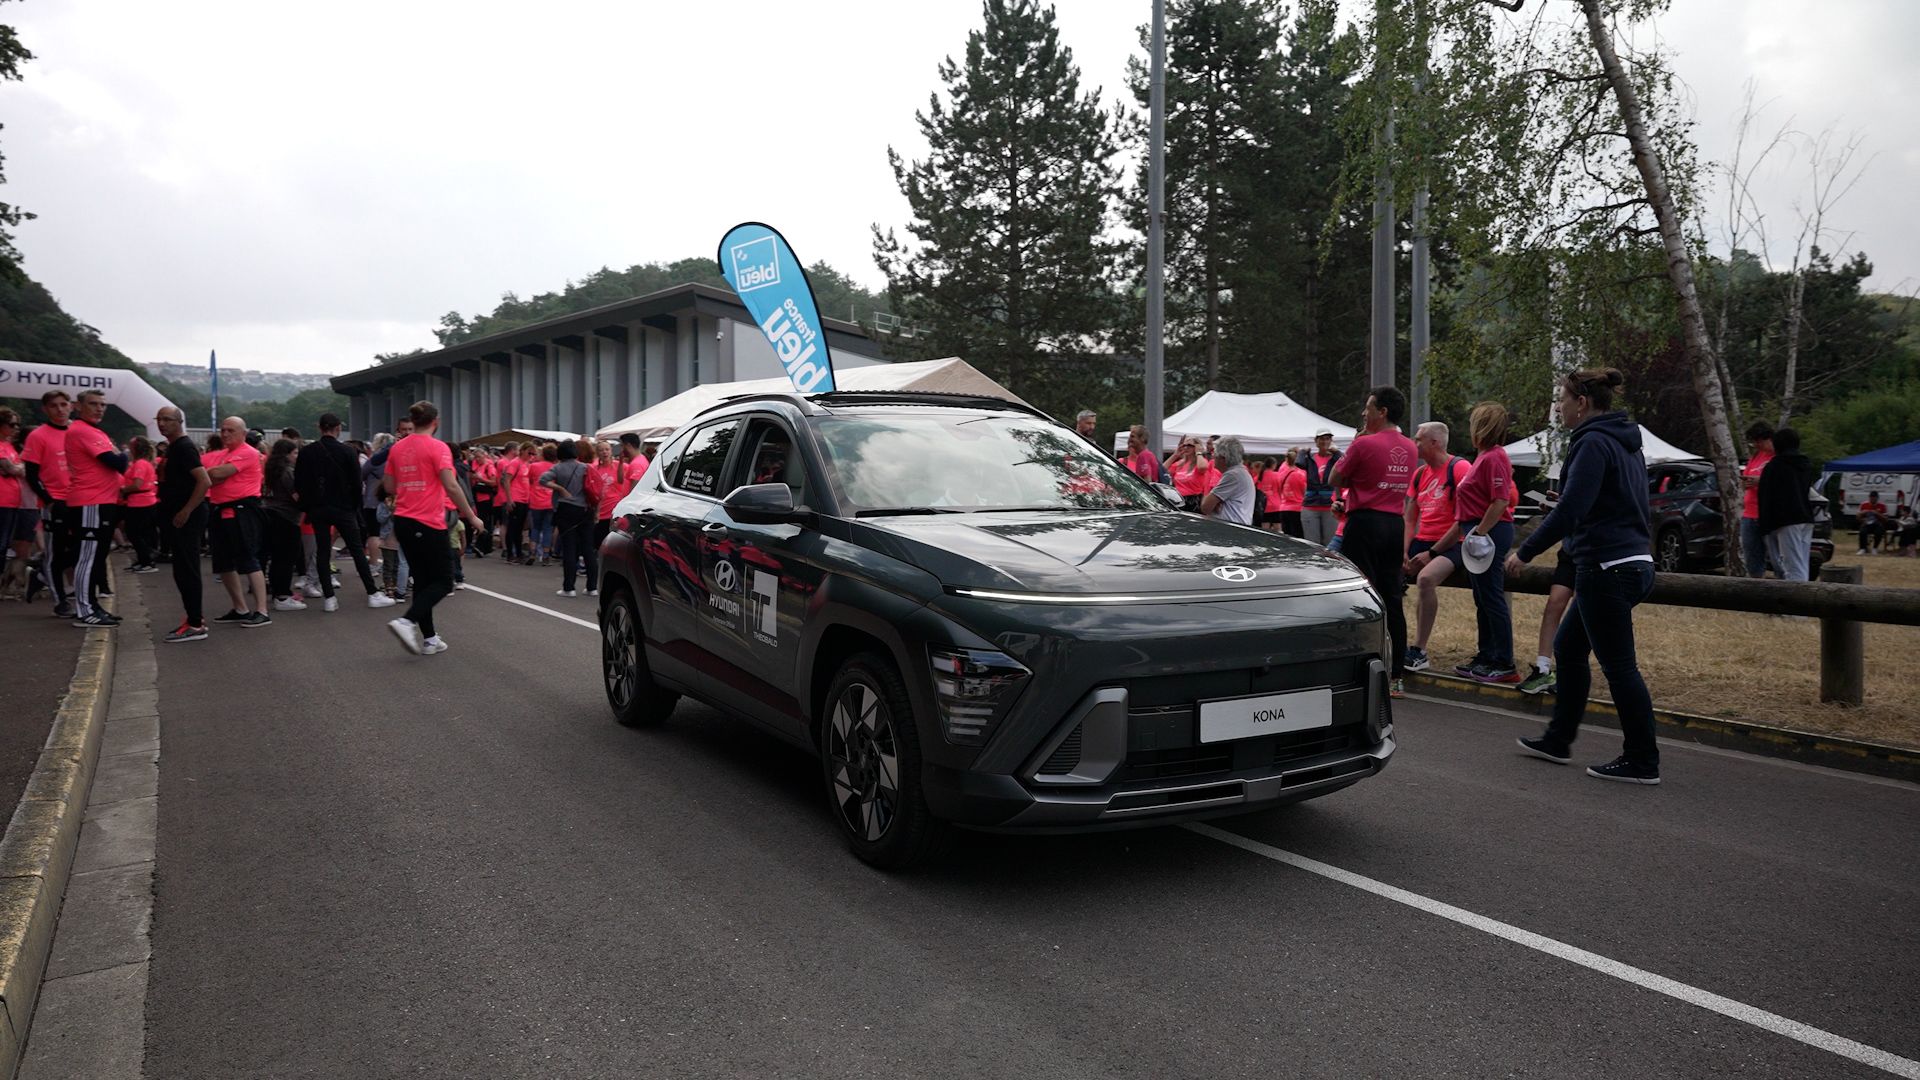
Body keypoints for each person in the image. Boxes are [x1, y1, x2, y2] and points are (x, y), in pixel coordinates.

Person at [1509, 367, 1660, 785]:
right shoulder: (1624, 440)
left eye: (1562, 399)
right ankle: (1558, 740)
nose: (1559, 407)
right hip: (1633, 562)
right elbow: (1607, 500)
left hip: (1606, 568)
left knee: (1620, 668)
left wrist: (1525, 551)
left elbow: (1572, 512)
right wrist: (1566, 503)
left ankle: (1642, 760)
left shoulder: (1592, 441)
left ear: (1582, 402)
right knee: (1569, 648)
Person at [1328, 388, 1417, 692]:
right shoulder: (1410, 447)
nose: (1364, 413)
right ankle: (1396, 676)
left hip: (1364, 523)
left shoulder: (1364, 443)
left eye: (1368, 408)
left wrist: (1356, 446)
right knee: (1392, 596)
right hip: (1394, 524)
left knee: (1359, 595)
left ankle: (1358, 668)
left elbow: (1334, 478)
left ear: (1382, 412)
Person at [381, 400, 484, 655]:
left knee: (423, 580)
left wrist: (411, 481)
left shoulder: (397, 448)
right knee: (444, 581)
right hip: (427, 521)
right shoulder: (438, 447)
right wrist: (471, 516)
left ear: (413, 421)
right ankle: (406, 622)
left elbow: (389, 486)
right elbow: (451, 485)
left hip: (403, 520)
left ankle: (429, 639)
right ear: (435, 422)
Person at [1426, 403, 1519, 682]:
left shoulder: (1495, 457)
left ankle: (1504, 661)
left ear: (1481, 426)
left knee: (1491, 596)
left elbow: (1500, 500)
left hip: (1488, 532)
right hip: (1478, 531)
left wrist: (1479, 532)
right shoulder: (1484, 456)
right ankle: (1486, 655)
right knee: (1483, 597)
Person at [296, 412, 392, 611]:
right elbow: (357, 483)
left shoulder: (307, 452)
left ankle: (329, 598)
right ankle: (372, 593)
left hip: (318, 508)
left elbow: (300, 482)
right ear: (338, 428)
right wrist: (354, 506)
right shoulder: (348, 451)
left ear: (319, 427)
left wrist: (308, 506)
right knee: (357, 550)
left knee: (323, 552)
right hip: (343, 507)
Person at [1401, 422, 1470, 672]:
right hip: (1423, 539)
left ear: (1435, 442)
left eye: (1419, 439)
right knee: (1386, 574)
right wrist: (1404, 550)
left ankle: (1419, 651)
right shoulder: (1419, 474)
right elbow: (1410, 518)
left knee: (1426, 579)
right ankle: (1395, 642)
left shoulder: (1460, 468)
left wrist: (1432, 553)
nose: (1414, 443)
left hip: (1453, 543)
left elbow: (1463, 521)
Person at [63, 389, 129, 627]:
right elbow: (117, 462)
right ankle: (85, 610)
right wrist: (123, 453)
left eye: (103, 404)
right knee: (88, 558)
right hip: (90, 501)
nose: (99, 408)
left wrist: (120, 455)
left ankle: (91, 605)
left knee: (97, 556)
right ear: (78, 406)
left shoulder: (94, 431)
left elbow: (117, 461)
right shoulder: (83, 430)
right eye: (93, 403)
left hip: (101, 500)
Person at [203, 415, 272, 627]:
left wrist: (213, 474)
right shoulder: (220, 454)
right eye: (223, 430)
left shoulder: (248, 453)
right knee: (223, 562)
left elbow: (219, 473)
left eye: (230, 430)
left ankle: (262, 611)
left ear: (243, 433)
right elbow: (209, 476)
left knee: (248, 558)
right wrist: (213, 475)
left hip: (243, 510)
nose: (225, 434)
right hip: (220, 509)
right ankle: (240, 608)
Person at [153, 407, 211, 641]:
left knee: (187, 569)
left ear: (179, 422)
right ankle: (194, 618)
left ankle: (195, 624)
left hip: (186, 517)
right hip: (176, 515)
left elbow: (204, 481)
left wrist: (186, 510)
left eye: (167, 419)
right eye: (159, 419)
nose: (162, 423)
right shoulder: (174, 447)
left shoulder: (184, 447)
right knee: (182, 569)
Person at [22, 390, 75, 617]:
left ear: (71, 406)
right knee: (55, 553)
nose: (60, 409)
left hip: (80, 500)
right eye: (54, 405)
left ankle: (41, 575)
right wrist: (50, 500)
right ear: (45, 409)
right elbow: (31, 475)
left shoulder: (77, 431)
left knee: (83, 550)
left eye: (64, 404)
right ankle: (60, 601)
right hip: (54, 501)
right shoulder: (38, 436)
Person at [1757, 427, 1816, 582]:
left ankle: (1796, 593)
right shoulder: (1805, 464)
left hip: (1786, 519)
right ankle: (1803, 589)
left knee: (1792, 564)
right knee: (1801, 562)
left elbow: (1766, 495)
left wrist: (1764, 524)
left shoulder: (1774, 466)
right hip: (1805, 516)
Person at [542, 439, 600, 597]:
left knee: (569, 548)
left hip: (565, 509)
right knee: (588, 548)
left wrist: (559, 488)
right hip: (585, 510)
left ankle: (569, 587)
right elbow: (596, 490)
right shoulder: (586, 467)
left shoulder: (558, 468)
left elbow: (543, 480)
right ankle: (592, 587)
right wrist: (596, 511)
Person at [261, 438, 307, 611]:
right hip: (286, 518)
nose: (297, 456)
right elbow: (297, 497)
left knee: (277, 558)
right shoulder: (288, 472)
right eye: (294, 453)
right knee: (287, 558)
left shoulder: (271, 471)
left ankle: (277, 592)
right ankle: (282, 595)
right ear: (286, 455)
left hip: (270, 515)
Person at [0, 408, 31, 600]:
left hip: (12, 501)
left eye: (18, 424)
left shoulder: (9, 446)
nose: (16, 428)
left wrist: (16, 469)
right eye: (12, 424)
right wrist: (17, 469)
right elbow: (12, 469)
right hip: (2, 501)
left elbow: (17, 469)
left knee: (4, 546)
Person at [1739, 421, 1774, 577]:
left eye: (1758, 441)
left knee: (1777, 558)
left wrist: (1761, 482)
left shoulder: (1777, 457)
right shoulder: (1756, 456)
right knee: (1752, 559)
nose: (1756, 445)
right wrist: (1746, 482)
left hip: (1769, 513)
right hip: (1750, 513)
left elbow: (1782, 482)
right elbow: (1746, 476)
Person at [121, 437, 160, 572]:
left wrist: (123, 489)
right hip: (144, 501)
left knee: (134, 533)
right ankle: (144, 560)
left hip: (139, 502)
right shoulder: (144, 463)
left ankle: (146, 561)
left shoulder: (140, 464)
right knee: (140, 533)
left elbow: (137, 485)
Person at [1201, 436, 1256, 526]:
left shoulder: (1232, 475)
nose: (1213, 456)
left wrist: (1211, 498)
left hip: (1229, 528)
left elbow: (1205, 507)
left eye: (1215, 453)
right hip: (1234, 527)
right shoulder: (1239, 472)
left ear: (1223, 458)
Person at [1300, 429, 1341, 545]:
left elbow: (1346, 462)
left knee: (1330, 543)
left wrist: (1336, 452)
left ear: (1331, 441)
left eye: (1327, 439)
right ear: (1316, 441)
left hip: (1330, 506)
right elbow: (1299, 463)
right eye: (1321, 439)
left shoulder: (1335, 459)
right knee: (1312, 544)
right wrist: (1302, 452)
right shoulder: (1310, 459)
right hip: (1310, 505)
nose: (1324, 442)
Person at [1167, 438, 1216, 512]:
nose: (1186, 447)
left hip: (1194, 500)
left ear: (1196, 447)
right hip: (1179, 499)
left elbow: (1202, 467)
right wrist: (1175, 455)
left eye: (1189, 445)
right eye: (1184, 445)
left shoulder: (1200, 462)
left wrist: (1198, 453)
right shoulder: (1180, 463)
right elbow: (1162, 470)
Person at [527, 443, 556, 564]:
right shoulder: (556, 467)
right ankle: (545, 555)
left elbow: (530, 480)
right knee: (548, 529)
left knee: (535, 527)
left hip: (536, 501)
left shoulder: (534, 466)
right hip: (550, 501)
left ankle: (532, 553)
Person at [1856, 491, 1888, 555]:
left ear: (1877, 498)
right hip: (1867, 523)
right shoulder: (1864, 504)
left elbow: (1885, 519)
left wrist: (1877, 513)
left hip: (1877, 524)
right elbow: (1857, 517)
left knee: (1879, 531)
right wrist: (1863, 514)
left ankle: (1875, 548)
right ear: (1869, 497)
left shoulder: (1882, 506)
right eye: (1871, 497)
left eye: (1874, 497)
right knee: (1862, 531)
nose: (1873, 499)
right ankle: (1863, 548)